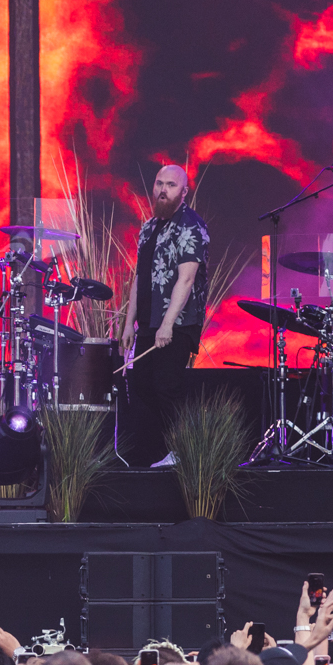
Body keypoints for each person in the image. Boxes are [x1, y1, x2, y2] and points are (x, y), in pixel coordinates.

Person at [121, 164, 209, 467]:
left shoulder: (191, 225)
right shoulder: (149, 227)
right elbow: (139, 278)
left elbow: (187, 279)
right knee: (142, 386)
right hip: (148, 321)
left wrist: (168, 323)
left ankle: (185, 451)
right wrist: (129, 323)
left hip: (178, 323)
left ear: (184, 192)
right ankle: (158, 451)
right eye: (159, 183)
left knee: (167, 385)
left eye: (171, 185)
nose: (162, 190)